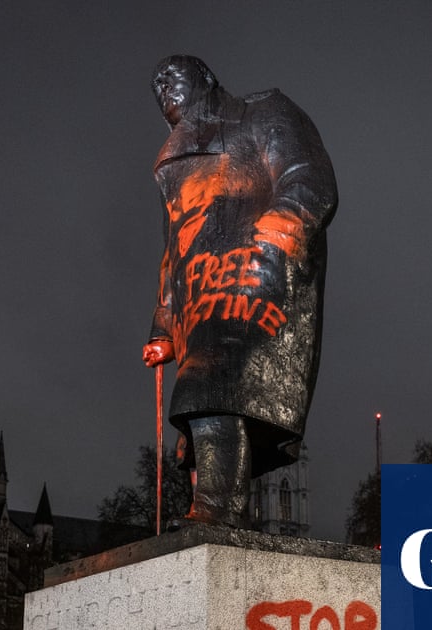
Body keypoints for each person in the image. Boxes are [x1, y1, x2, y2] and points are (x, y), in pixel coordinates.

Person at [141, 55, 337, 528]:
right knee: (198, 403)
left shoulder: (264, 111)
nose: (164, 88)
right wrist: (164, 324)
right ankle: (212, 505)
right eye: (156, 86)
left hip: (258, 267)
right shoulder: (176, 165)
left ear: (206, 78)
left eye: (172, 76)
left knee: (211, 382)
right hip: (200, 289)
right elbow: (174, 250)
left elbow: (306, 175)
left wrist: (284, 223)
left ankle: (217, 507)